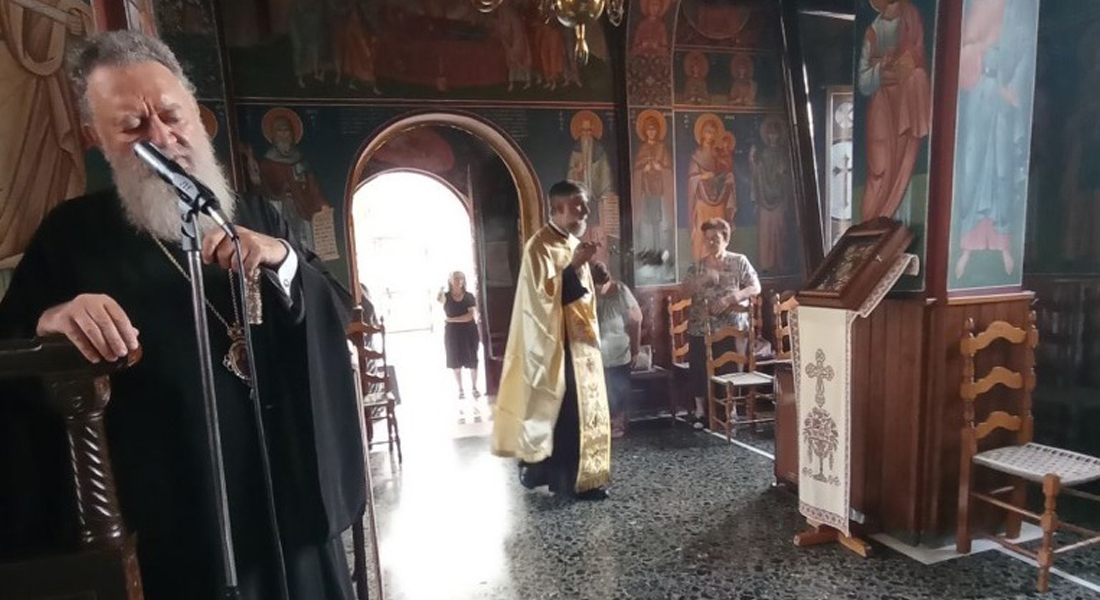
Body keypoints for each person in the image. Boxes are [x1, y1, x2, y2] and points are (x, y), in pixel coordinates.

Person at [0, 31, 364, 600]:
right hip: (168, 510)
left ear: (196, 114)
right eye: (132, 127)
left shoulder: (258, 214)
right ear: (96, 138)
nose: (161, 138)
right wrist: (54, 320)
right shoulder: (71, 235)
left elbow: (336, 309)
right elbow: (11, 348)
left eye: (171, 116)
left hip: (281, 500)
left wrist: (283, 258)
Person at [492, 180, 611, 501]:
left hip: (582, 344)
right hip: (556, 345)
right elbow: (541, 298)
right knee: (563, 413)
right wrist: (576, 265)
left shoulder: (572, 242)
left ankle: (580, 477)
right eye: (577, 205)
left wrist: (594, 274)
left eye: (584, 204)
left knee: (582, 412)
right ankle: (566, 481)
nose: (585, 211)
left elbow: (576, 293)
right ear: (557, 208)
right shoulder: (539, 246)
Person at [680, 218, 761, 431]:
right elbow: (683, 292)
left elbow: (755, 287)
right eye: (707, 239)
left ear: (726, 240)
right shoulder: (697, 266)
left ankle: (729, 411)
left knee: (730, 368)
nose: (710, 243)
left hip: (731, 327)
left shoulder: (739, 261)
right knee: (699, 368)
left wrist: (731, 298)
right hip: (701, 326)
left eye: (715, 239)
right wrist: (702, 280)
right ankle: (700, 412)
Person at [590, 261, 642, 439]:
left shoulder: (620, 290)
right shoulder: (587, 292)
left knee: (618, 386)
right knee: (600, 388)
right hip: (595, 351)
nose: (599, 289)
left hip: (619, 350)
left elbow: (636, 320)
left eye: (601, 284)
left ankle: (619, 422)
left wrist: (635, 349)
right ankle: (604, 422)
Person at [437, 271, 481, 401]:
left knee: (472, 359)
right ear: (450, 280)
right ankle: (460, 389)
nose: (458, 281)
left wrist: (452, 320)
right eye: (455, 278)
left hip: (469, 331)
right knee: (455, 360)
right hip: (452, 333)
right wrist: (440, 292)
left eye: (460, 278)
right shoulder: (446, 296)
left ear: (463, 281)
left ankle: (474, 387)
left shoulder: (469, 296)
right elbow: (440, 300)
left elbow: (470, 316)